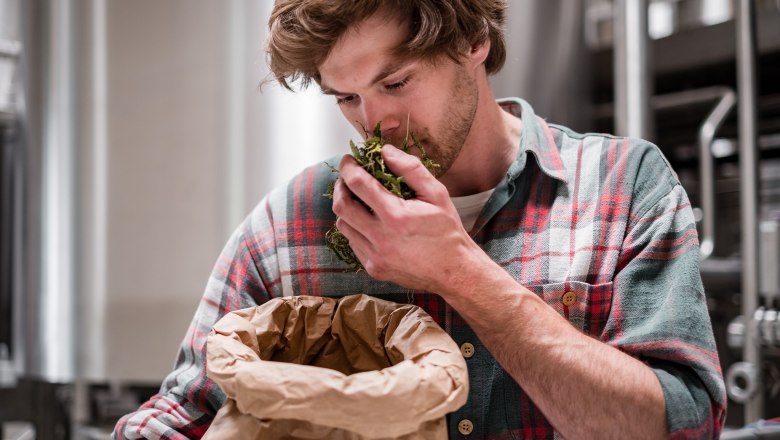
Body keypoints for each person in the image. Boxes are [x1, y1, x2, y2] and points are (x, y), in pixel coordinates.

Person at [114, 1, 726, 439]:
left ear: (472, 41)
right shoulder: (290, 221)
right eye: (347, 98)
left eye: (396, 81)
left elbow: (680, 426)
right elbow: (181, 415)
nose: (375, 125)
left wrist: (460, 273)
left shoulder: (622, 185)